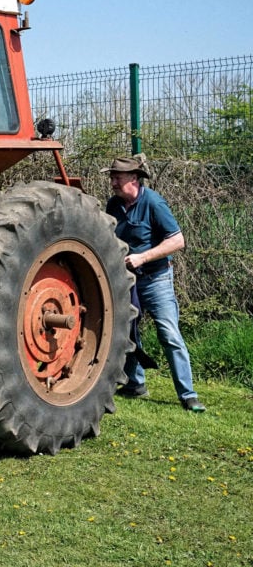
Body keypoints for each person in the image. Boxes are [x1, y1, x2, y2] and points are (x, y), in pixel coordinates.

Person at [102, 156, 205, 412]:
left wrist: (142, 257)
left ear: (134, 179)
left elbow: (178, 241)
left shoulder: (154, 203)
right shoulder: (113, 205)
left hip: (155, 279)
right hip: (127, 280)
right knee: (127, 332)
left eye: (118, 178)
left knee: (169, 334)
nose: (113, 182)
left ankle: (188, 394)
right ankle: (136, 383)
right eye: (112, 177)